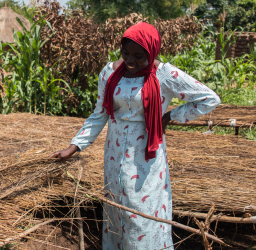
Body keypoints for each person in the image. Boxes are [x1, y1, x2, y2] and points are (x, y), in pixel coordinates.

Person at [49, 22, 220, 250]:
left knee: (142, 213)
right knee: (116, 208)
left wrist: (169, 117)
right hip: (114, 154)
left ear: (152, 51)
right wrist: (74, 146)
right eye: (126, 53)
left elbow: (209, 99)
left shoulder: (164, 75)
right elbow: (99, 114)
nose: (130, 60)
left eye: (139, 56)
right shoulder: (110, 72)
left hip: (146, 157)